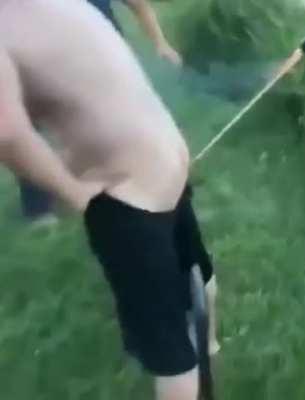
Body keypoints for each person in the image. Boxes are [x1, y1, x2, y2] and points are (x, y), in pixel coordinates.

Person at [0, 1, 217, 399]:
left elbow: (7, 133)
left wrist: (73, 192)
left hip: (129, 194)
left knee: (168, 350)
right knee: (194, 269)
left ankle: (190, 368)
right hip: (166, 157)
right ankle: (210, 346)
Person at [17, 0, 181, 224]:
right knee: (29, 126)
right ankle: (40, 206)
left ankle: (145, 178)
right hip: (54, 64)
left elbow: (139, 4)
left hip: (108, 62)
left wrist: (161, 43)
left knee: (125, 121)